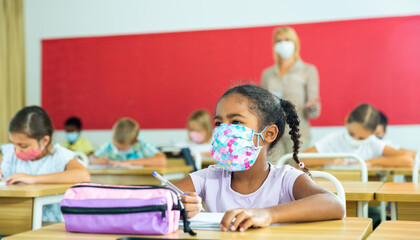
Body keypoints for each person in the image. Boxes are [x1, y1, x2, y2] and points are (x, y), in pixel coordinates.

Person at [175, 84, 344, 232]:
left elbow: (334, 204)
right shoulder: (209, 178)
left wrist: (268, 214)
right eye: (219, 123)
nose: (224, 131)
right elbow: (156, 196)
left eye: (236, 122)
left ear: (268, 134)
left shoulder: (285, 179)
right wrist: (175, 204)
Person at [0, 106, 90, 221]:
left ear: (44, 141)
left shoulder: (58, 155)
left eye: (23, 146)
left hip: (50, 222)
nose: (17, 150)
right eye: (14, 144)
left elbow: (83, 175)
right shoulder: (10, 154)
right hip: (15, 220)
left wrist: (34, 179)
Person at [261, 26, 320, 164]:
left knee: (295, 174)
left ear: (295, 43)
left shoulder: (308, 70)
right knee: (272, 173)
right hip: (274, 132)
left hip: (298, 133)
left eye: (287, 40)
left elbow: (314, 111)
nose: (283, 44)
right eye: (279, 41)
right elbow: (263, 104)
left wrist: (312, 106)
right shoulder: (267, 74)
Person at [304, 104, 414, 167]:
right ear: (346, 121)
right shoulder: (333, 140)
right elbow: (298, 161)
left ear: (372, 133)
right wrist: (328, 160)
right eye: (351, 134)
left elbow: (409, 160)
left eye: (362, 138)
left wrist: (372, 162)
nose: (355, 140)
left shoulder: (373, 143)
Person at [92, 117, 167, 167]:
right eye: (116, 146)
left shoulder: (143, 145)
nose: (118, 150)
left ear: (135, 142)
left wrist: (129, 162)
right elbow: (91, 159)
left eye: (122, 148)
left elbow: (161, 160)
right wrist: (98, 161)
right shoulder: (108, 145)